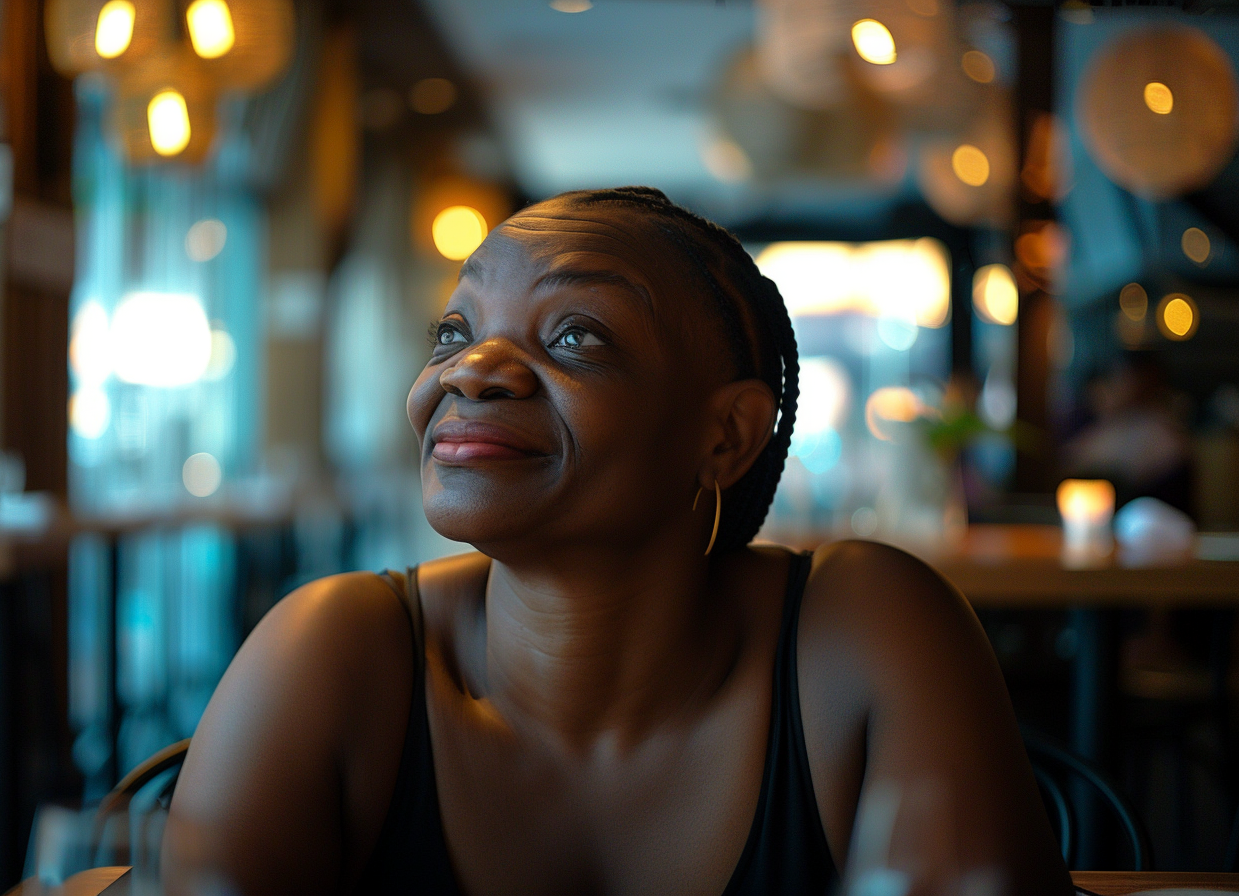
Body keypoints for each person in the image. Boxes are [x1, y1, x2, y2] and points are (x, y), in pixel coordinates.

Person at [164, 187, 1071, 895]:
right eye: (455, 331)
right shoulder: (336, 645)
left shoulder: (863, 628)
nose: (469, 368)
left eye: (575, 335)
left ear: (724, 437)